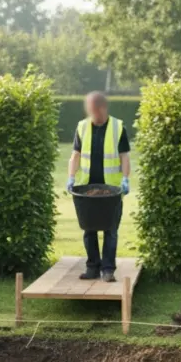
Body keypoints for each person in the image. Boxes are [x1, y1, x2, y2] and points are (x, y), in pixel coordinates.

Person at [67, 91, 131, 282]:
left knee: (110, 230)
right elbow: (76, 155)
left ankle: (108, 269)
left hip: (111, 191)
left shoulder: (118, 128)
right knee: (89, 229)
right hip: (88, 189)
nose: (92, 114)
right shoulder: (82, 127)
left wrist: (125, 179)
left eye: (94, 110)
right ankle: (92, 267)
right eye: (90, 111)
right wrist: (71, 176)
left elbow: (124, 156)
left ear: (103, 108)